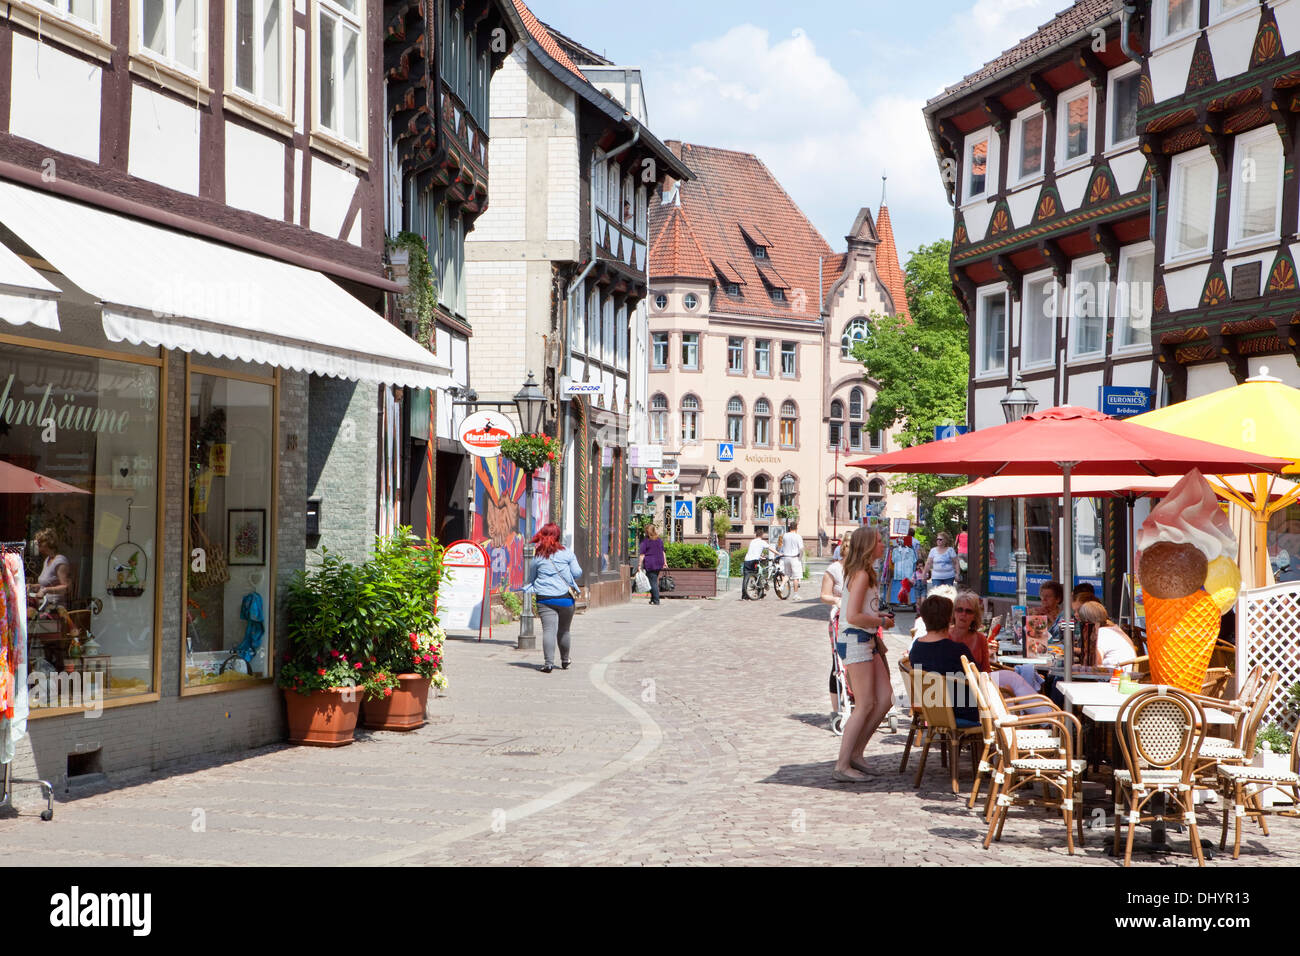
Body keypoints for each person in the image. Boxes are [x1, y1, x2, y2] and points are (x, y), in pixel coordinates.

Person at [832, 525, 896, 783]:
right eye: (879, 541)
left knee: (885, 699)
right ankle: (842, 764)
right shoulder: (860, 574)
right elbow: (852, 616)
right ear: (869, 546)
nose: (883, 545)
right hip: (856, 639)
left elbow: (861, 611)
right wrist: (880, 622)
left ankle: (857, 754)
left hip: (866, 638)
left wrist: (878, 617)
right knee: (866, 703)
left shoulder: (867, 573)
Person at [907, 594, 979, 727]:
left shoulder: (916, 647)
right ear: (948, 619)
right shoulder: (957, 650)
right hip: (962, 711)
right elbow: (979, 679)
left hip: (931, 709)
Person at [522, 523, 583, 673]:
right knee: (564, 631)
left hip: (544, 598)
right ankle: (565, 660)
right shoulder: (567, 553)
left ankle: (548, 663)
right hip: (565, 598)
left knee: (548, 630)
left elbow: (531, 577)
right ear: (558, 536)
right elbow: (577, 573)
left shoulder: (538, 555)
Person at [821, 531, 854, 721]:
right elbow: (824, 595)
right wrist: (837, 600)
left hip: (859, 622)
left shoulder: (862, 569)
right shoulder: (834, 569)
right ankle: (836, 709)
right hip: (840, 620)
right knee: (839, 663)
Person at [1076, 600, 1138, 671]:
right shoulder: (1114, 629)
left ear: (1087, 622)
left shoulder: (1100, 634)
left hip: (1115, 677)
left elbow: (1094, 666)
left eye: (1081, 622)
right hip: (1124, 673)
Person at [29, 527, 72, 610]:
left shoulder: (60, 561)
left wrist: (46, 590)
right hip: (43, 604)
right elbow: (45, 584)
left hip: (54, 607)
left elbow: (66, 587)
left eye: (39, 544)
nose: (37, 546)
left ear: (46, 544)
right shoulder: (47, 560)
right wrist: (32, 586)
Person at [950, 590, 990, 672]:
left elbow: (986, 670)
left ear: (974, 616)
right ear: (954, 613)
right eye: (959, 610)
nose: (963, 614)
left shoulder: (981, 639)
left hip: (974, 683)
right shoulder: (944, 635)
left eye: (968, 611)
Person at [637, 525, 665, 606]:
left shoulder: (646, 541)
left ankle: (656, 600)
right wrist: (665, 562)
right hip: (659, 562)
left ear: (646, 531)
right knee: (654, 579)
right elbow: (663, 552)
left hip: (651, 563)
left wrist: (639, 565)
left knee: (652, 582)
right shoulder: (659, 540)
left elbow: (642, 555)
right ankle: (653, 599)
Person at [741, 529, 770, 600]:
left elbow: (752, 552)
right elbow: (770, 548)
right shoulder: (762, 542)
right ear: (762, 535)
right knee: (758, 576)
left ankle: (744, 596)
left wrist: (760, 557)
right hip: (754, 561)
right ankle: (760, 594)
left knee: (746, 578)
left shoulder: (752, 541)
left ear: (756, 535)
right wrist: (779, 554)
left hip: (747, 560)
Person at [780, 522, 805, 598]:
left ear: (789, 527)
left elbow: (783, 546)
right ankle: (795, 594)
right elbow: (801, 548)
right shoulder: (798, 536)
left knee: (787, 574)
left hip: (786, 557)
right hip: (794, 558)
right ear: (796, 528)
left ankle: (781, 586)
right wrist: (800, 557)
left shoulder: (785, 536)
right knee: (796, 577)